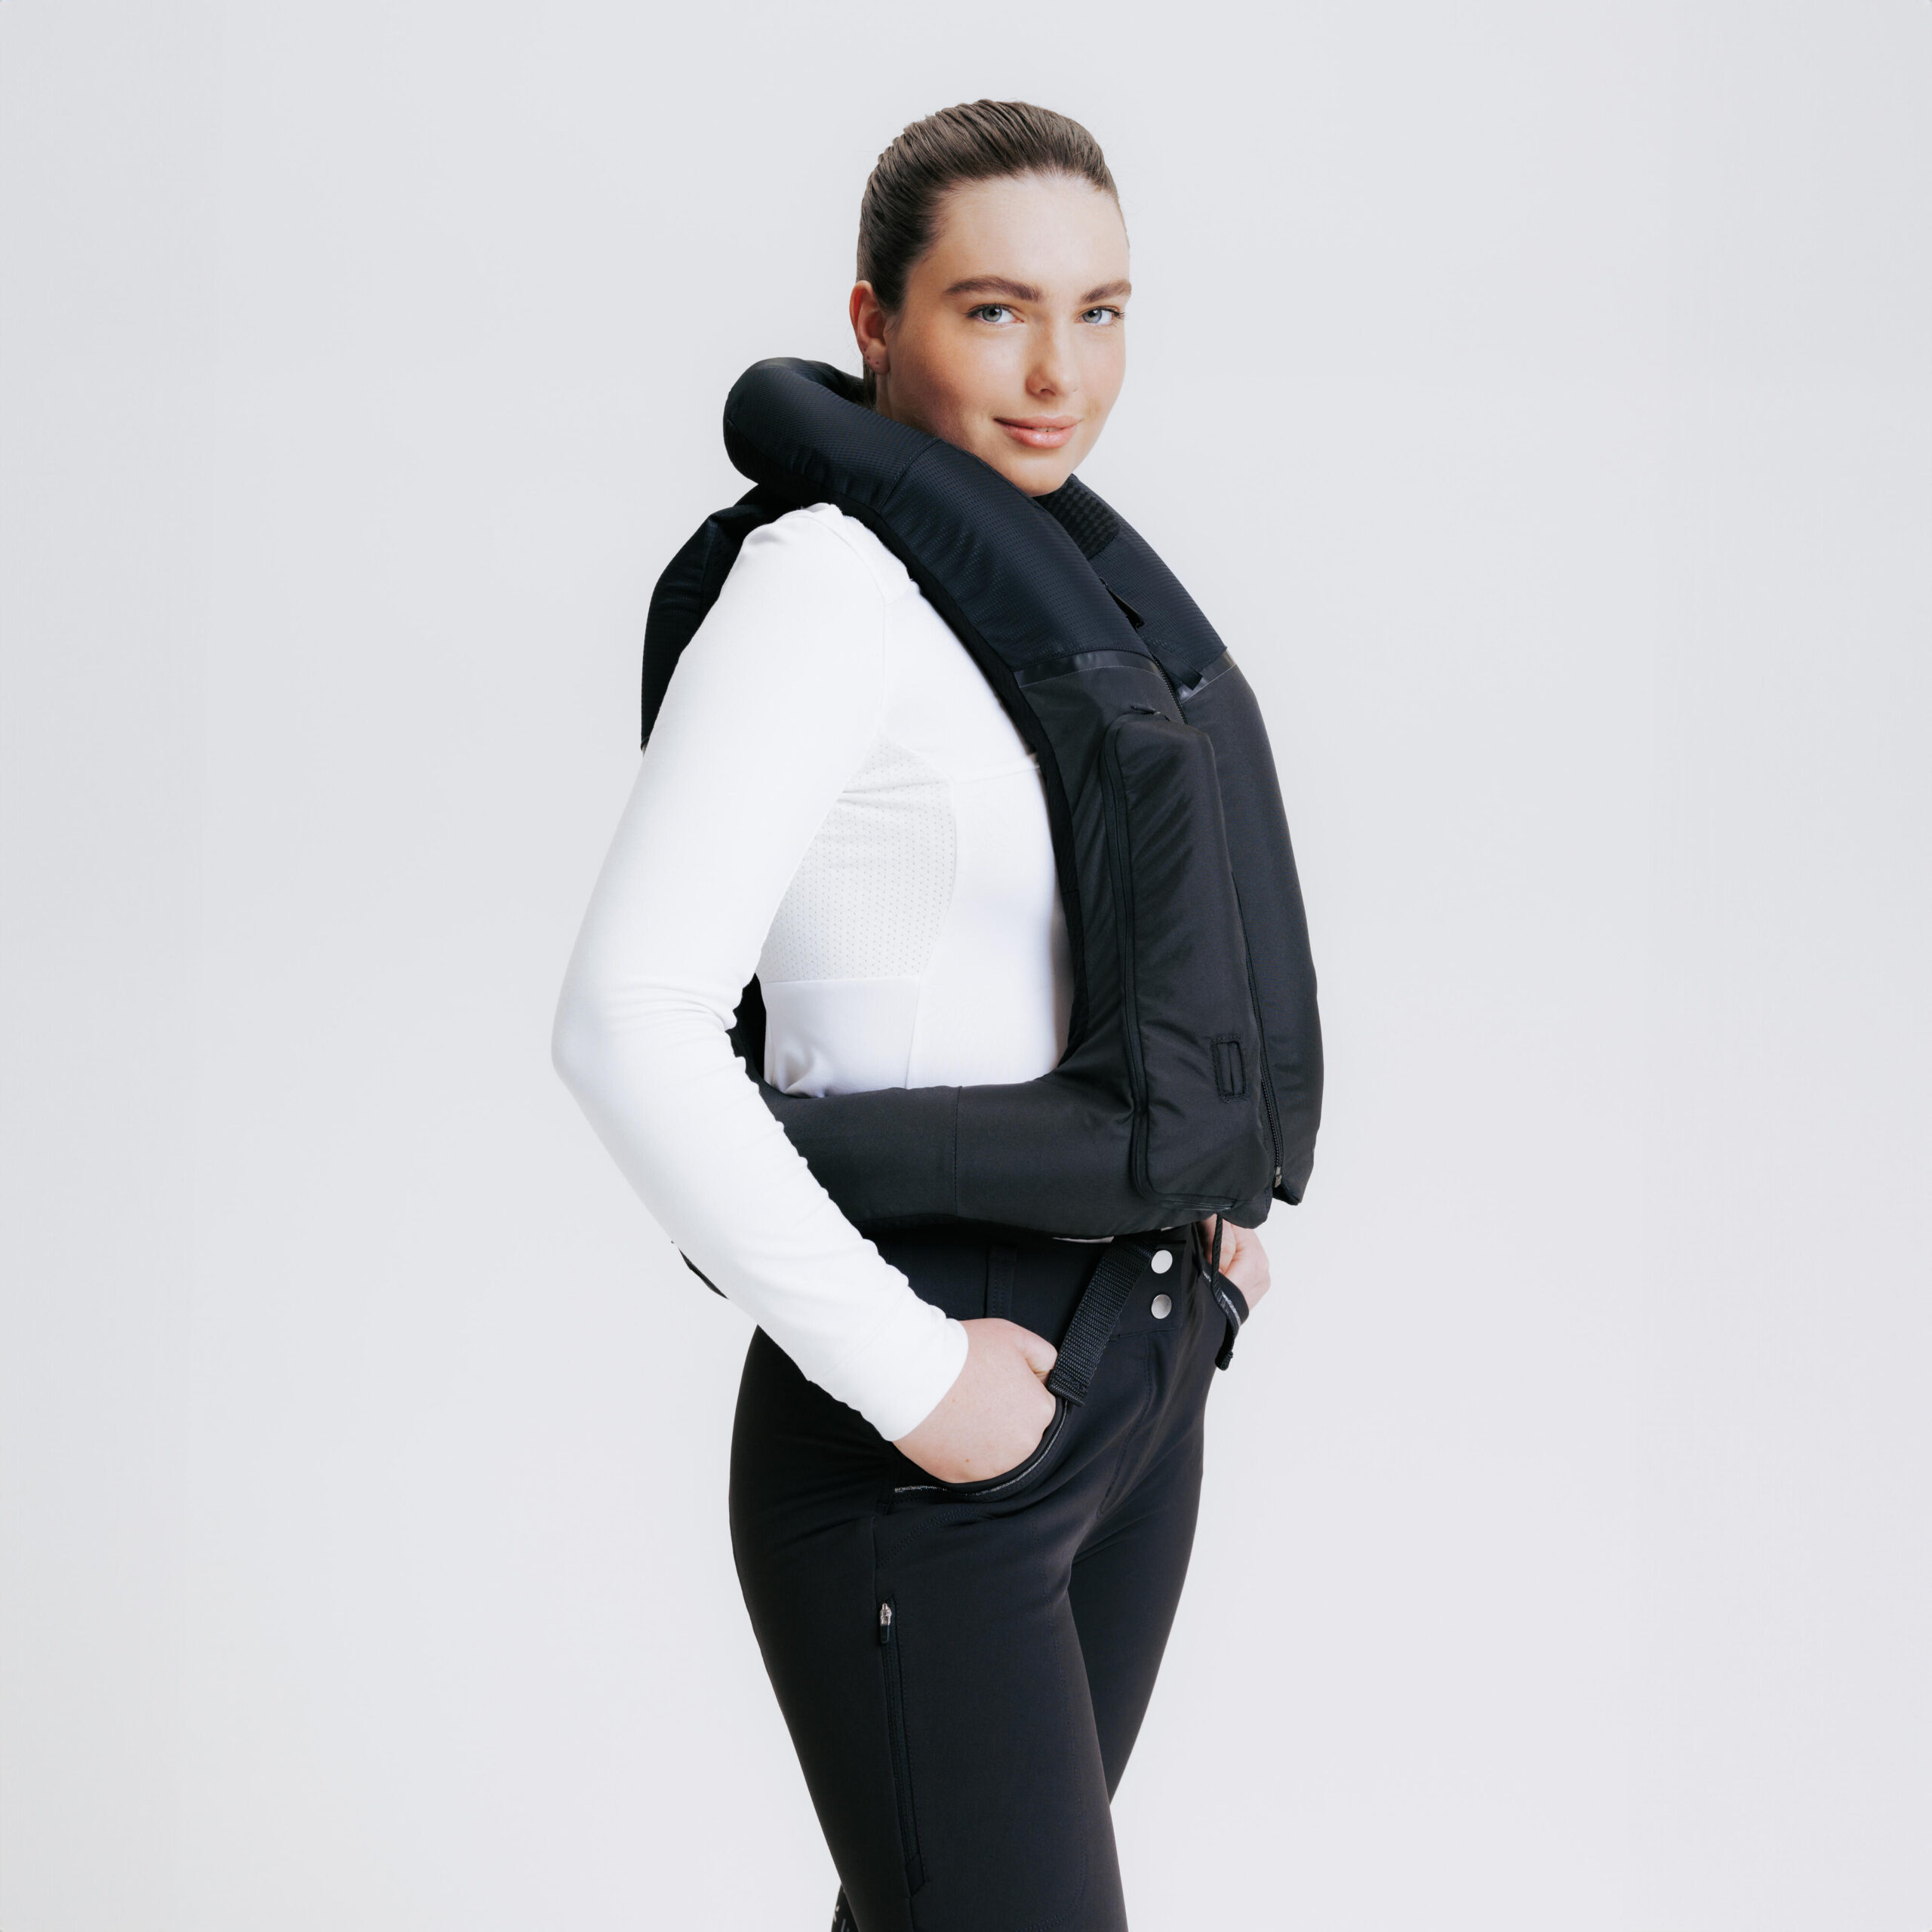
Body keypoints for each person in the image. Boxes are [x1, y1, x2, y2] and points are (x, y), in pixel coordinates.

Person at [554, 100, 1290, 1932]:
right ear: (872, 322)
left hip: (1130, 1386)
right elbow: (625, 1017)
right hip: (930, 1415)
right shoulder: (825, 587)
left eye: (1099, 311)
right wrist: (909, 1377)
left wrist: (1195, 1220)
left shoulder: (1060, 599)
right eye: (993, 310)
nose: (1058, 374)